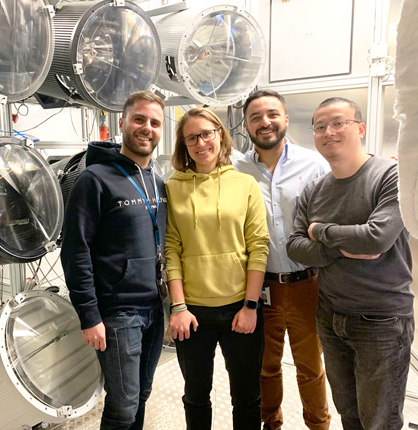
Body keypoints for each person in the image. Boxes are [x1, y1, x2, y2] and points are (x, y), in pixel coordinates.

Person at [286, 97, 415, 430]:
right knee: (348, 412)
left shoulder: (391, 175)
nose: (328, 132)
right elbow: (295, 247)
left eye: (338, 122)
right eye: (320, 126)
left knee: (380, 420)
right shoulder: (313, 190)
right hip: (330, 316)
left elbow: (376, 239)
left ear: (360, 128)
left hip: (381, 320)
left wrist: (320, 231)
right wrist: (342, 246)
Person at [61, 91, 167, 430]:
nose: (146, 128)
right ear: (122, 123)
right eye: (139, 119)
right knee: (122, 407)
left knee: (142, 394)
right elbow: (75, 252)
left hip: (154, 308)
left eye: (155, 122)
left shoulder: (159, 182)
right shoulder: (93, 180)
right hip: (119, 312)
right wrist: (89, 316)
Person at [164, 107, 269, 430]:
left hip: (241, 308)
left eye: (206, 134)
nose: (200, 143)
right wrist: (178, 307)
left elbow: (258, 246)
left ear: (220, 134)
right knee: (196, 395)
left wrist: (250, 306)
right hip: (192, 313)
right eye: (191, 138)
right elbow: (172, 250)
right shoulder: (173, 187)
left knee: (247, 396)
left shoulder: (245, 184)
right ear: (184, 145)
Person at [233, 89, 331, 430]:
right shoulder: (236, 169)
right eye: (256, 117)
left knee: (310, 367)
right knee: (265, 367)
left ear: (286, 119)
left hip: (307, 284)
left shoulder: (314, 164)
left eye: (272, 114)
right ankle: (271, 423)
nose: (265, 122)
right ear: (246, 126)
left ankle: (318, 425)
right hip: (260, 288)